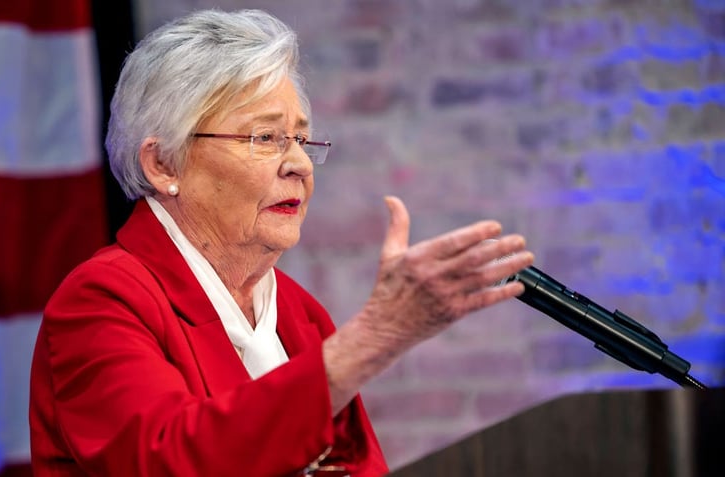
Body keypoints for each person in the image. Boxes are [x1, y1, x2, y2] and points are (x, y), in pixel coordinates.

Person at [28, 8, 533, 477]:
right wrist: (372, 339)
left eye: (301, 139)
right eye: (264, 138)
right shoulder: (101, 301)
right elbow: (170, 458)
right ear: (162, 164)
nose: (300, 165)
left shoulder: (298, 313)